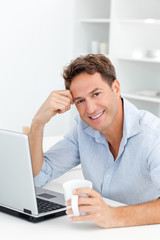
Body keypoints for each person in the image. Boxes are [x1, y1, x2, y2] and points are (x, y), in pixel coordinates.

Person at [29, 54, 160, 228]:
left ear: (116, 87)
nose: (90, 109)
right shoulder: (83, 131)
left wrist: (113, 215)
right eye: (80, 101)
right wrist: (38, 123)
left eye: (96, 94)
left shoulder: (152, 135)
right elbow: (39, 176)